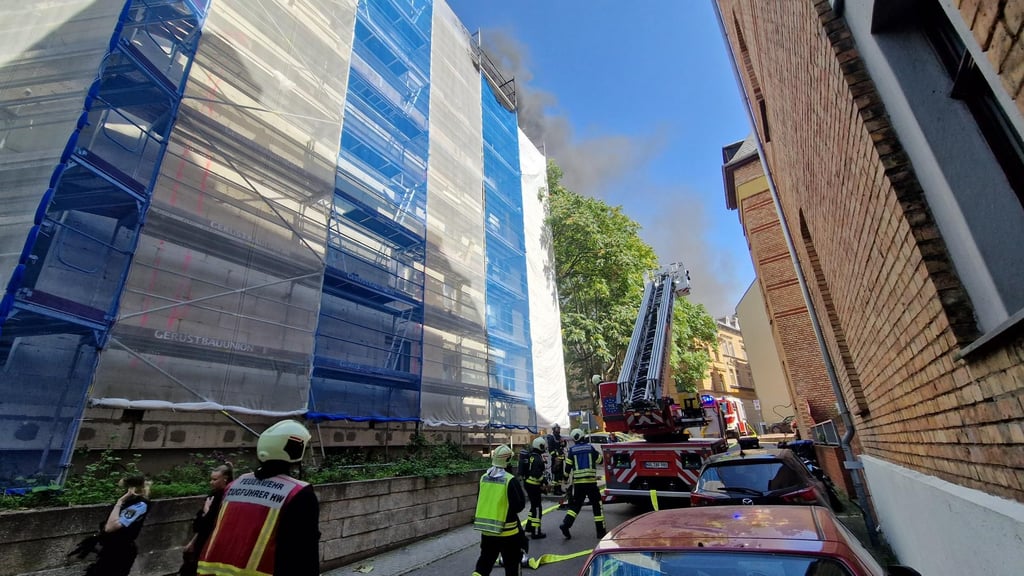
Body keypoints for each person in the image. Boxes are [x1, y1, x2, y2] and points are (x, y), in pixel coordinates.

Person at [197, 420, 320, 576]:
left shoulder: (234, 485)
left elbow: (204, 529)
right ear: (296, 451)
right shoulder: (299, 493)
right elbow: (304, 554)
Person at [472, 444, 528, 576]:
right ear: (508, 461)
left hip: (488, 532)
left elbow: (481, 499)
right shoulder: (510, 480)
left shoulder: (483, 478)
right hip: (508, 533)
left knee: (484, 565)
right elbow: (519, 506)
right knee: (511, 566)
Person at [80, 473, 151, 576]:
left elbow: (111, 527)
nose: (118, 490)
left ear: (130, 489)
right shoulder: (129, 503)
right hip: (111, 548)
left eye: (122, 487)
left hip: (121, 551)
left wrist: (119, 501)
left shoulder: (139, 505)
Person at [178, 463, 233, 576]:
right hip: (203, 540)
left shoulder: (225, 497)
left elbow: (209, 522)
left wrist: (207, 511)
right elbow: (200, 524)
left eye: (214, 479)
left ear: (225, 479)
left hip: (212, 543)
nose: (211, 482)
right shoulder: (213, 494)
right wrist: (192, 541)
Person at [559, 428, 605, 540]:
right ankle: (600, 532)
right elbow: (600, 461)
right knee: (596, 505)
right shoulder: (590, 448)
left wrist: (565, 478)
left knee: (576, 505)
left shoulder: (572, 450)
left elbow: (568, 467)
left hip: (579, 484)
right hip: (590, 483)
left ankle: (566, 524)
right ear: (583, 436)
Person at [522, 437, 548, 539]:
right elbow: (537, 473)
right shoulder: (537, 458)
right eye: (543, 446)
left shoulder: (530, 456)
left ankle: (529, 527)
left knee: (533, 506)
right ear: (539, 446)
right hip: (534, 485)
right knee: (537, 508)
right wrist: (544, 481)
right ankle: (536, 532)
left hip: (528, 484)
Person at [545, 424, 566, 495]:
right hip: (556, 461)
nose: (559, 430)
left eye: (559, 428)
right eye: (557, 429)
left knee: (560, 475)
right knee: (556, 476)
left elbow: (563, 446)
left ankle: (559, 489)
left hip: (561, 459)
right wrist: (555, 457)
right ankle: (555, 490)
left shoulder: (559, 437)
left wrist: (563, 443)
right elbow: (551, 450)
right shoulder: (551, 438)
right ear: (554, 429)